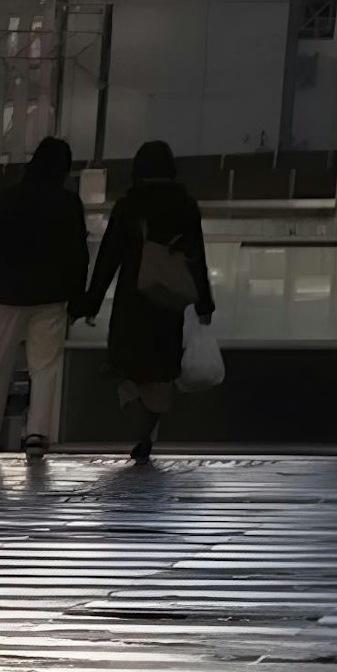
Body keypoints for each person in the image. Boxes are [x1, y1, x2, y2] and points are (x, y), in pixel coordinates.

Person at [0, 133, 88, 464]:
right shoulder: (68, 203)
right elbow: (78, 255)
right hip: (52, 295)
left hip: (8, 293)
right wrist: (78, 300)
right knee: (44, 366)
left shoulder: (6, 199)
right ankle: (36, 434)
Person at [85, 137, 212, 469]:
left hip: (133, 300)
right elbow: (197, 256)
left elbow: (109, 257)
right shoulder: (186, 206)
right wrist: (204, 302)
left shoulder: (129, 205)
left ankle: (138, 428)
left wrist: (92, 302)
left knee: (128, 370)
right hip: (169, 303)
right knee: (161, 372)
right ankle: (147, 432)